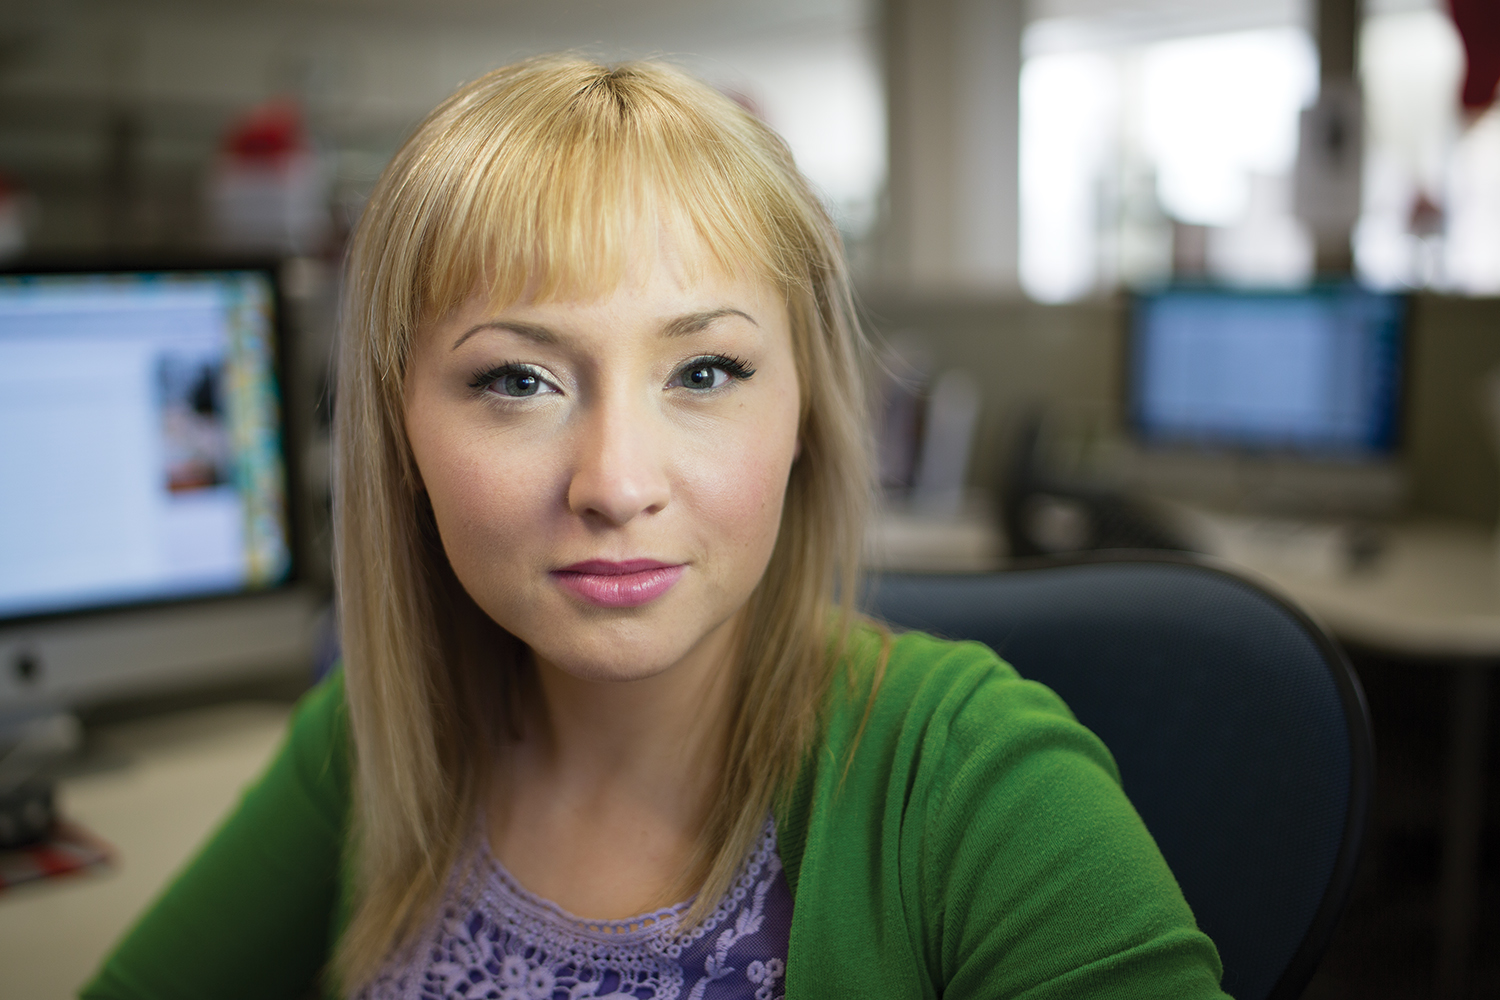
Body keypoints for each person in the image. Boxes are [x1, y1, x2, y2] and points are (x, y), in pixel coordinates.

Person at [82, 56, 1230, 1000]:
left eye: (707, 368)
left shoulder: (977, 782)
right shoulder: (381, 732)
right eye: (519, 381)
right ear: (401, 437)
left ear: (805, 416)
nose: (616, 483)